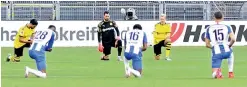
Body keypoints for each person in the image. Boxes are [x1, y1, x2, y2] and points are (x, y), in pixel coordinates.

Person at [204, 12, 235, 79]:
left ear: (214, 18)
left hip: (216, 52)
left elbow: (207, 44)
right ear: (222, 17)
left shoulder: (209, 28)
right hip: (227, 50)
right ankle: (230, 72)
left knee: (213, 75)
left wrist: (213, 48)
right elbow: (233, 39)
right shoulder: (227, 26)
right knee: (231, 52)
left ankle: (217, 72)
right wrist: (229, 46)